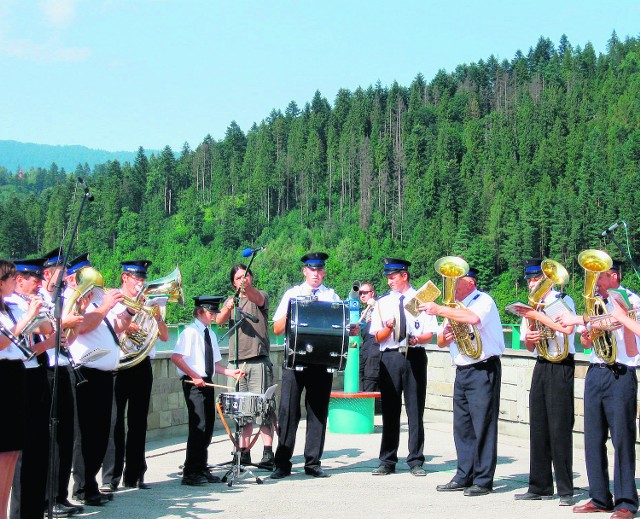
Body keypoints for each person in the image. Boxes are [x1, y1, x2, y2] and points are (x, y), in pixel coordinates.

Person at [558, 259, 639, 518]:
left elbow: (630, 328)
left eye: (599, 276)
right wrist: (587, 334)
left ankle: (626, 501)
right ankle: (599, 496)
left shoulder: (631, 299)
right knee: (592, 438)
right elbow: (585, 343)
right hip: (596, 371)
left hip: (621, 372)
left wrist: (616, 316)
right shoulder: (595, 302)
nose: (594, 282)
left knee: (623, 439)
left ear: (613, 276)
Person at [421, 264, 504, 497]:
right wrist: (446, 338)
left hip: (483, 368)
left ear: (471, 282)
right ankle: (463, 474)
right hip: (462, 369)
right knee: (463, 426)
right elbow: (439, 341)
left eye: (458, 280)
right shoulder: (452, 307)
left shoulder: (483, 300)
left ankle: (484, 479)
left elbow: (473, 318)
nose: (453, 285)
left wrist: (438, 309)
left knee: (483, 426)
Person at [67, 254, 134, 507]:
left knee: (102, 431)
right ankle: (82, 486)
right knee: (85, 433)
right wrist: (105, 305)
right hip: (86, 372)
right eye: (86, 273)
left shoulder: (97, 298)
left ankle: (90, 483)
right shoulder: (72, 300)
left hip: (105, 374)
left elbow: (117, 328)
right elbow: (82, 327)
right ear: (75, 277)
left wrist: (128, 310)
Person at [270, 252, 341, 479]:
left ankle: (313, 463)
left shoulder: (331, 296)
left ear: (324, 271)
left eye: (320, 270)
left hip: (321, 362)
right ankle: (282, 463)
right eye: (312, 269)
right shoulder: (292, 294)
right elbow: (277, 329)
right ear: (305, 271)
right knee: (288, 412)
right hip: (294, 360)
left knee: (318, 412)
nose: (316, 274)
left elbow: (341, 326)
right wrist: (291, 311)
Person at [510, 259, 576, 506]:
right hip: (541, 362)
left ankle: (566, 489)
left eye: (535, 279)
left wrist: (538, 315)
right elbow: (528, 345)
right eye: (529, 279)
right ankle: (539, 485)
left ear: (546, 280)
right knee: (538, 426)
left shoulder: (562, 300)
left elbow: (566, 329)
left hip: (561, 365)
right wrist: (530, 335)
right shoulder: (531, 306)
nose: (531, 283)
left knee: (559, 428)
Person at [101, 260, 169, 492]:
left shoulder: (150, 301)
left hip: (142, 365)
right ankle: (110, 477)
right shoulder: (113, 299)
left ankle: (135, 474)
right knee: (114, 422)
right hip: (118, 365)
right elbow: (109, 327)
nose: (141, 282)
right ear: (125, 277)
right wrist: (126, 325)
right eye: (137, 278)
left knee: (139, 421)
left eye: (143, 278)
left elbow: (165, 337)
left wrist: (158, 317)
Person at [369, 259, 438, 477]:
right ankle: (387, 460)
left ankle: (416, 460)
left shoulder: (422, 298)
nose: (390, 281)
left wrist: (417, 339)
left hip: (414, 355)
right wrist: (388, 328)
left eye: (393, 277)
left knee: (415, 409)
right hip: (390, 357)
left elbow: (430, 333)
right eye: (388, 278)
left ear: (404, 276)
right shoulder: (382, 303)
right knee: (390, 410)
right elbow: (377, 338)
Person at [6, 258, 61, 519]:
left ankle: (35, 508)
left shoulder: (29, 303)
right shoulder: (12, 306)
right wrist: (32, 315)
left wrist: (44, 310)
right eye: (35, 280)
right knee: (21, 452)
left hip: (38, 374)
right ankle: (19, 512)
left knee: (40, 445)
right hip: (20, 378)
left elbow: (48, 331)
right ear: (19, 280)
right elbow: (15, 344)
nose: (40, 284)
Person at [172, 296, 244, 486]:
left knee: (208, 427)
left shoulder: (209, 334)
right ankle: (190, 472)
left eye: (214, 313)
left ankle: (201, 467)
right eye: (210, 313)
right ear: (199, 312)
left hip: (207, 381)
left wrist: (230, 371)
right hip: (193, 382)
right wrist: (194, 376)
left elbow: (213, 364)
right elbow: (177, 358)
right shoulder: (189, 333)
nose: (214, 316)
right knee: (199, 426)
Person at [39, 249, 85, 518]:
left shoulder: (66, 298)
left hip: (65, 365)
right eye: (61, 270)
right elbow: (43, 328)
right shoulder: (41, 299)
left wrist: (74, 324)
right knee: (51, 436)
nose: (67, 274)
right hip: (48, 369)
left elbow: (70, 338)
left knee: (67, 432)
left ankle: (60, 495)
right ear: (48, 273)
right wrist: (62, 321)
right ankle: (47, 498)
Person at [216, 263, 275, 469]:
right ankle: (243, 451)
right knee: (240, 411)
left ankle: (268, 454)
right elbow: (220, 320)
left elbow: (255, 296)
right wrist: (227, 307)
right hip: (236, 363)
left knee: (263, 408)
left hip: (258, 360)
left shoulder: (260, 296)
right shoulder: (231, 300)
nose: (243, 279)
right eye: (239, 278)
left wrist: (246, 288)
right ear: (233, 282)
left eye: (246, 276)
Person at [0, 260, 29, 519]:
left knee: (12, 452)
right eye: (12, 279)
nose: (15, 283)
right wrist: (25, 322)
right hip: (3, 376)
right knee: (2, 453)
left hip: (15, 373)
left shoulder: (9, 308)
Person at [358, 282, 380, 393]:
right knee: (359, 373)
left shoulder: (380, 308)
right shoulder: (363, 312)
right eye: (360, 293)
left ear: (372, 293)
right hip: (365, 348)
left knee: (370, 376)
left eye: (365, 293)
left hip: (375, 348)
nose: (362, 295)